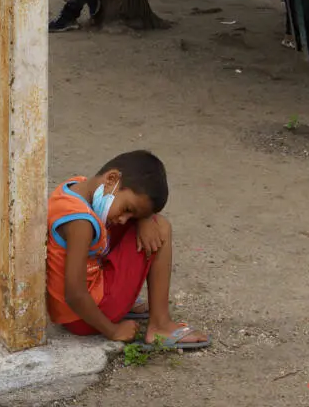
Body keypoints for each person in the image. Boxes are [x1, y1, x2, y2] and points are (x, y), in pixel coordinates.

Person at [45, 150, 210, 350]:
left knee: (148, 224)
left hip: (72, 311)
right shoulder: (80, 224)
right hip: (82, 317)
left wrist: (143, 218)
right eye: (128, 209)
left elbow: (120, 207)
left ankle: (130, 301)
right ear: (112, 178)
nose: (124, 219)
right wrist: (112, 330)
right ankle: (160, 324)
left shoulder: (74, 188)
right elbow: (75, 293)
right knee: (162, 227)